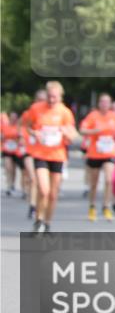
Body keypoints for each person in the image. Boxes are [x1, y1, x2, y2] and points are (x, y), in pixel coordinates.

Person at [25, 81, 80, 234]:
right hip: (40, 154)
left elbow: (74, 136)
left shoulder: (65, 112)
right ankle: (38, 220)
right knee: (44, 190)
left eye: (54, 97)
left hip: (57, 155)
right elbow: (27, 126)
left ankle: (47, 223)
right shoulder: (36, 108)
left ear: (60, 97)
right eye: (49, 96)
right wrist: (34, 133)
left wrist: (67, 133)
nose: (51, 100)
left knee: (53, 194)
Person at [79, 93, 115, 221]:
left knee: (109, 179)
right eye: (102, 101)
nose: (104, 104)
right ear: (99, 103)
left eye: (107, 102)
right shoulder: (93, 116)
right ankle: (92, 206)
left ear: (110, 104)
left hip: (109, 153)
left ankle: (106, 206)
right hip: (95, 153)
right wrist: (94, 131)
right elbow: (82, 130)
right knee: (94, 183)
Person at [21, 89, 49, 219]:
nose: (41, 102)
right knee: (34, 179)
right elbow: (22, 127)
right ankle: (32, 206)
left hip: (44, 153)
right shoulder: (29, 113)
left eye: (44, 100)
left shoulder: (49, 114)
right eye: (39, 100)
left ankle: (39, 205)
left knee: (41, 183)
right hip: (29, 151)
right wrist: (24, 136)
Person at [2, 112, 24, 196]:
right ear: (9, 118)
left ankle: (13, 185)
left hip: (16, 150)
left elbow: (22, 137)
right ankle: (9, 185)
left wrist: (18, 138)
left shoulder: (19, 127)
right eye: (12, 117)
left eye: (15, 117)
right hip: (7, 149)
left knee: (13, 169)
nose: (13, 119)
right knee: (8, 167)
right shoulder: (4, 126)